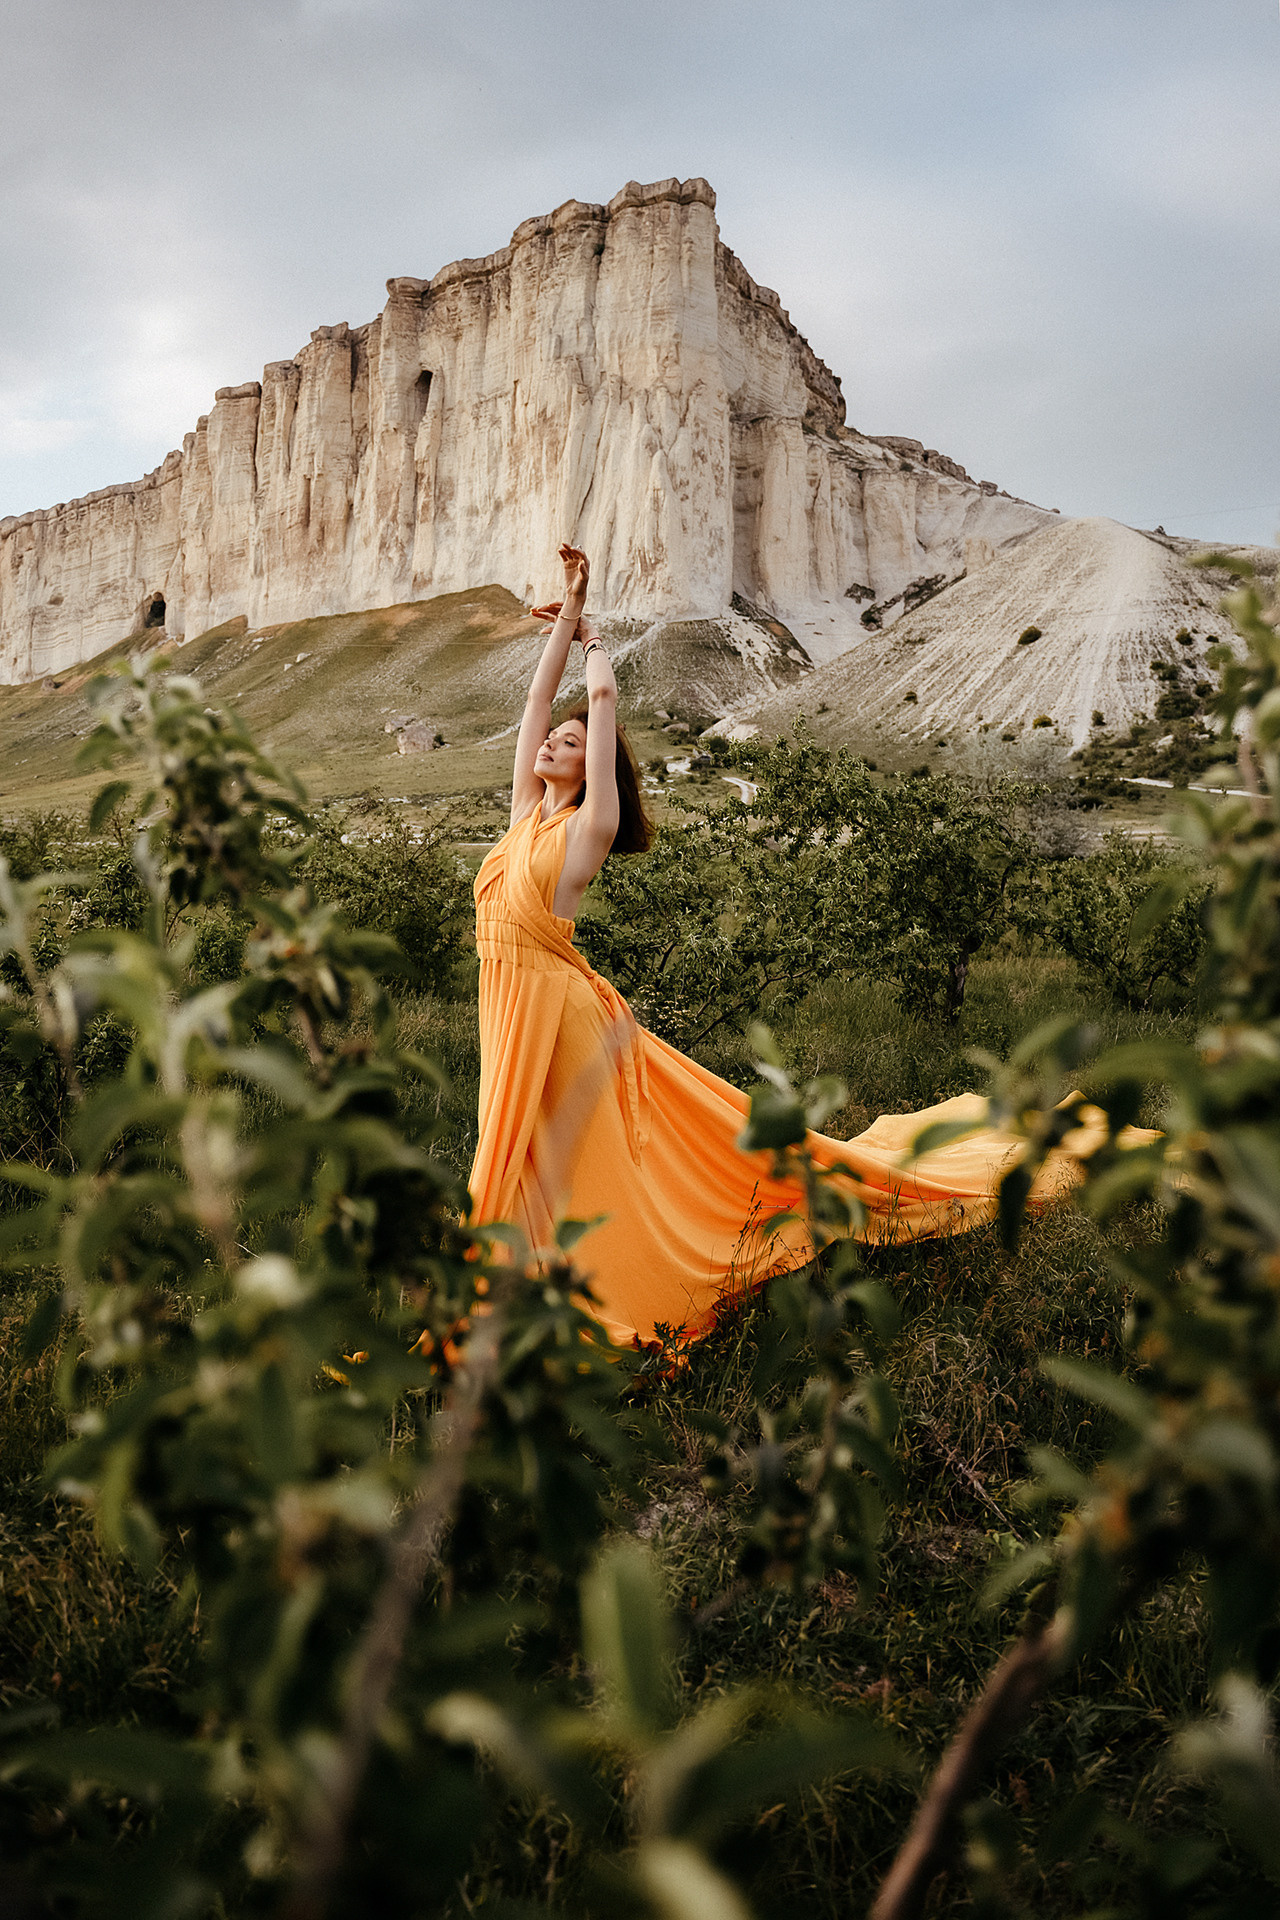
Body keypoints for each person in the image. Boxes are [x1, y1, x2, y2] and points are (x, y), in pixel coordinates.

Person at [468, 544, 1123, 1349]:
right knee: (519, 1147)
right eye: (552, 743)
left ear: (592, 766)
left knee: (577, 1155)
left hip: (554, 1011)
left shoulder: (585, 830)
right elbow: (538, 705)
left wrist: (595, 633)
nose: (550, 747)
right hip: (507, 1004)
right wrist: (563, 621)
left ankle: (577, 1291)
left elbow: (598, 703)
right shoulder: (521, 817)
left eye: (569, 745)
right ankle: (516, 1284)